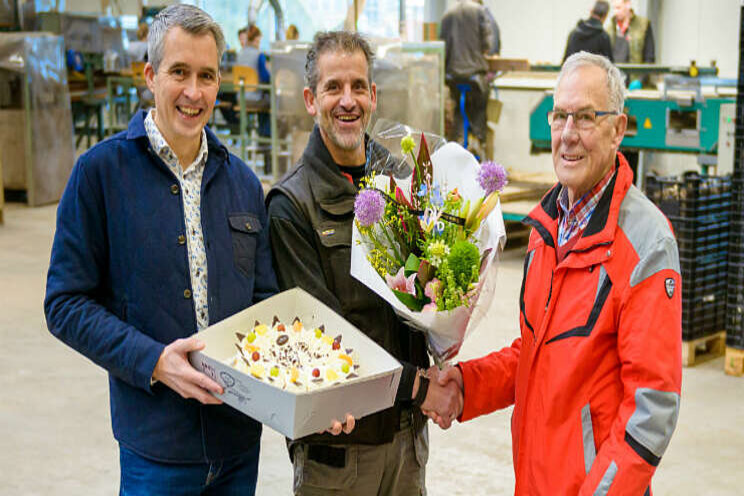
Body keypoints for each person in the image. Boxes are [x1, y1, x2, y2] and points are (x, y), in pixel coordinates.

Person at [45, 5, 349, 494]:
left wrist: (312, 394)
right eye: (179, 72)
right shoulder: (101, 175)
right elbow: (64, 304)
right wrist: (153, 361)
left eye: (206, 75)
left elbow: (267, 310)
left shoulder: (243, 183)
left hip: (236, 444)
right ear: (150, 75)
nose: (193, 92)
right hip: (155, 448)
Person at [429, 52, 682, 495]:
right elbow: (535, 352)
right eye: (560, 116)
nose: (568, 135)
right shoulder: (547, 227)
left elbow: (652, 407)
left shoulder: (646, 244)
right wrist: (468, 386)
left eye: (585, 117)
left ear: (618, 129)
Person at [266, 31, 462, 495]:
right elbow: (327, 342)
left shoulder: (404, 180)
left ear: (373, 96)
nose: (347, 101)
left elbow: (428, 286)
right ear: (311, 100)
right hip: (338, 455)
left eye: (358, 87)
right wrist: (421, 388)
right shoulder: (291, 205)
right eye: (334, 87)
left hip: (406, 443)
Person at [439, 0, 492, 153]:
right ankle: (477, 139)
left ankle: (457, 140)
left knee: (458, 110)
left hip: (453, 77)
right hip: (475, 77)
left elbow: (444, 48)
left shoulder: (448, 14)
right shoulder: (480, 11)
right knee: (479, 105)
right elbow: (487, 44)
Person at [237, 24, 272, 174]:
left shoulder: (240, 54)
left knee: (267, 105)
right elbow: (266, 78)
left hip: (242, 99)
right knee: (273, 105)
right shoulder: (259, 55)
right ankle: (267, 146)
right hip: (256, 99)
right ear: (257, 39)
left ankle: (263, 142)